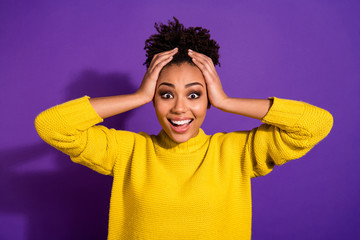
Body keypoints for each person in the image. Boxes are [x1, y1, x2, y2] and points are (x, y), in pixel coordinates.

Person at [35, 17, 333, 240]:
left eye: (194, 94)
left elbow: (315, 123)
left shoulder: (235, 153)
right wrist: (138, 96)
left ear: (208, 99)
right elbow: (52, 125)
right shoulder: (128, 152)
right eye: (165, 94)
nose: (179, 108)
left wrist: (227, 101)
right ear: (154, 98)